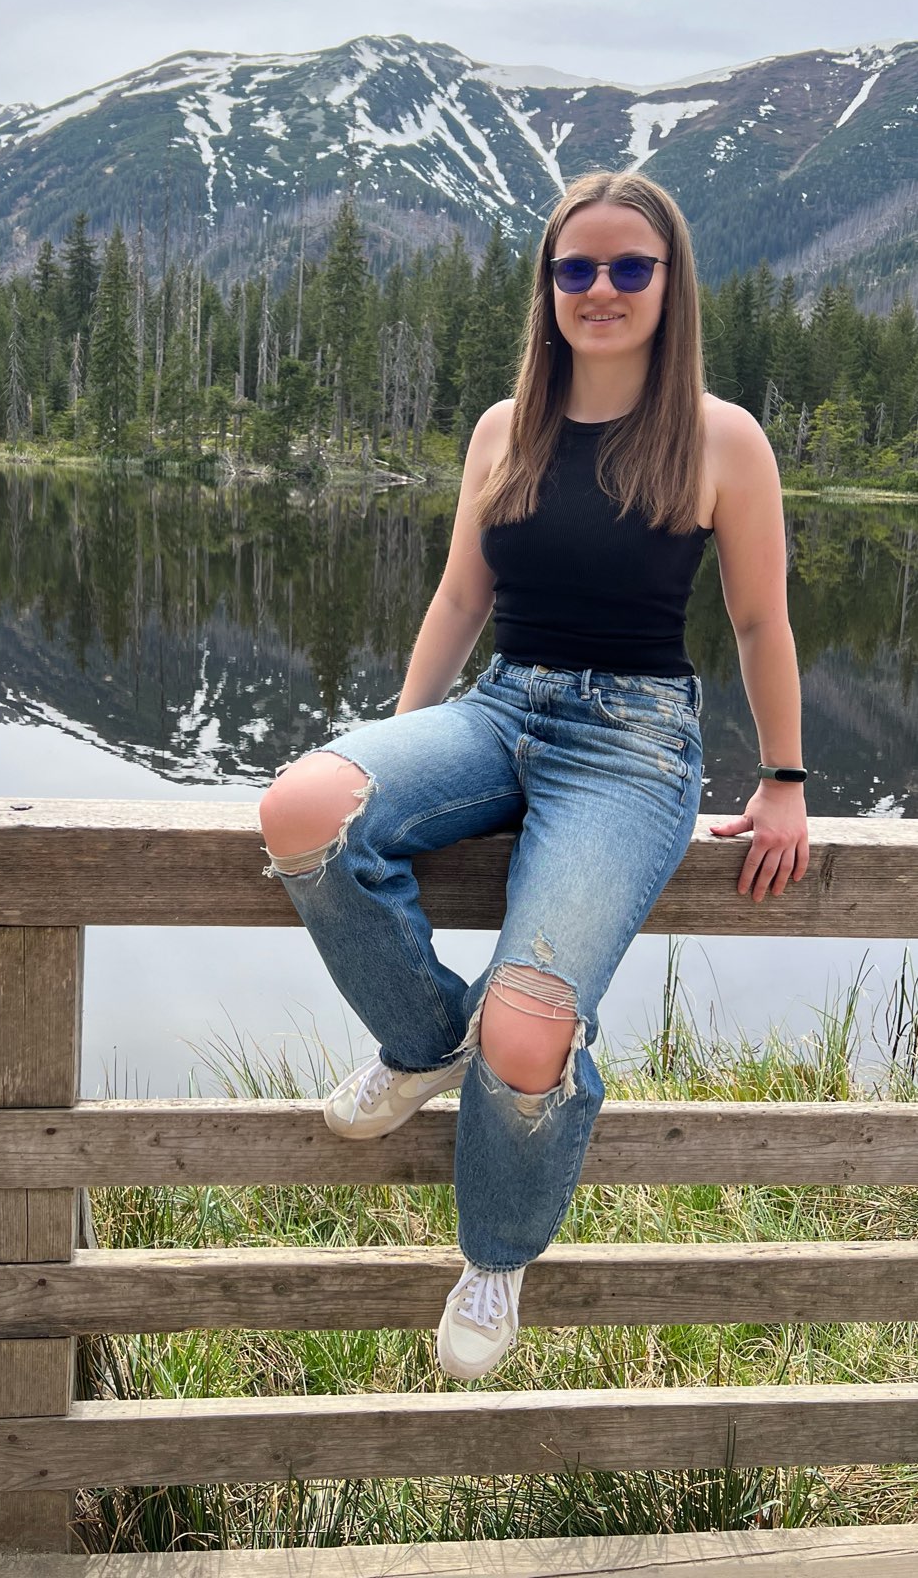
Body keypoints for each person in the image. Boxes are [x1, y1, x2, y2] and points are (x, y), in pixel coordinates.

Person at [259, 170, 810, 1382]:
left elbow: (761, 621)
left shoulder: (721, 437)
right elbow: (462, 598)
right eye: (576, 268)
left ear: (670, 284)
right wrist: (396, 747)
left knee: (528, 1029)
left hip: (634, 744)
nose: (600, 289)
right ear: (549, 286)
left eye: (629, 268)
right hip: (500, 707)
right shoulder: (505, 428)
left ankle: (496, 1252)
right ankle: (424, 1043)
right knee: (302, 807)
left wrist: (785, 777)